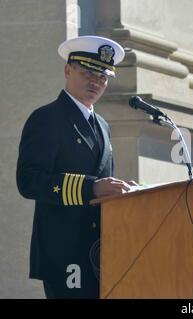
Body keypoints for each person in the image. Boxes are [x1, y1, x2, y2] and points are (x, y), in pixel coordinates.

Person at [16, 35, 134, 298]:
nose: (96, 82)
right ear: (68, 70)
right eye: (88, 73)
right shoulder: (47, 118)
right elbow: (28, 180)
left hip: (100, 253)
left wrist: (124, 192)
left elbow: (103, 183)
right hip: (64, 251)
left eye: (103, 77)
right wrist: (92, 187)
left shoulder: (102, 126)